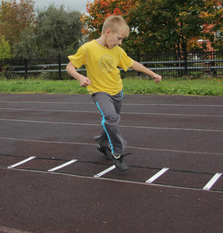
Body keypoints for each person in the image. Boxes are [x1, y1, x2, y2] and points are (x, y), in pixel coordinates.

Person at [66, 15, 162, 171]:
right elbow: (70, 66)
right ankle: (117, 152)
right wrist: (79, 77)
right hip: (99, 92)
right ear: (108, 32)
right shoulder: (88, 48)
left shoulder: (117, 51)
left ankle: (102, 143)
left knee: (112, 121)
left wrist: (152, 74)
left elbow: (132, 63)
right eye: (119, 38)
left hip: (117, 91)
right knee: (111, 118)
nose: (120, 42)